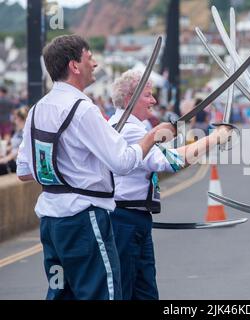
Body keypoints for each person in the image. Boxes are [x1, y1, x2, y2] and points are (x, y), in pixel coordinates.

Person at [16, 35, 175, 300]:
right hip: (84, 219)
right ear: (74, 66)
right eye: (90, 58)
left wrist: (66, 164)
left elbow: (24, 171)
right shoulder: (83, 110)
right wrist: (152, 137)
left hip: (51, 222)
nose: (96, 64)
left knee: (61, 294)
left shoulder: (37, 110)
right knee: (102, 293)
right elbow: (122, 162)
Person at [108, 69, 232, 300]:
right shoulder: (130, 129)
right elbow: (171, 161)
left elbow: (164, 152)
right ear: (129, 99)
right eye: (148, 95)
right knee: (129, 292)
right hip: (125, 220)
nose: (154, 100)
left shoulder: (120, 124)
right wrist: (214, 139)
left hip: (131, 218)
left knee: (141, 291)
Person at [0, 106, 28, 175]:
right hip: (13, 159)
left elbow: (19, 149)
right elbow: (13, 146)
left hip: (19, 162)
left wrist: (6, 159)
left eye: (15, 118)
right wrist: (4, 151)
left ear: (20, 119)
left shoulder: (26, 133)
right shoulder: (18, 131)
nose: (14, 121)